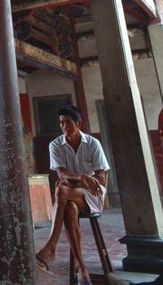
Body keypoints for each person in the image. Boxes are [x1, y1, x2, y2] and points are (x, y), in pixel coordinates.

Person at [36, 105, 110, 285]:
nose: (64, 126)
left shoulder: (92, 143)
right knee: (68, 206)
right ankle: (82, 269)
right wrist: (82, 177)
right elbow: (62, 174)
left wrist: (76, 180)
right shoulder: (55, 145)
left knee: (62, 189)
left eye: (68, 122)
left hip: (93, 196)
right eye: (61, 123)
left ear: (78, 123)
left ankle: (51, 246)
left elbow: (101, 178)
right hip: (71, 197)